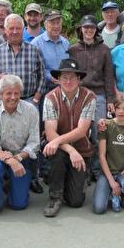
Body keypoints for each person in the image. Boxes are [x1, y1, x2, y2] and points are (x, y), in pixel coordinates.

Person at [0, 75, 40, 218]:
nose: (13, 97)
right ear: (0, 95)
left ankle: (10, 186)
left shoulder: (31, 110)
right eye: (8, 93)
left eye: (16, 93)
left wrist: (18, 158)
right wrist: (10, 160)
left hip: (22, 157)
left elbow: (34, 143)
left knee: (19, 204)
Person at [41, 59, 96, 217]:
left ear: (79, 79)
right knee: (55, 153)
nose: (68, 81)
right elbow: (50, 132)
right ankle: (55, 197)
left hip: (81, 150)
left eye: (72, 77)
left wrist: (61, 143)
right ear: (58, 79)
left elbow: (81, 130)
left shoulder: (89, 97)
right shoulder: (50, 97)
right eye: (64, 77)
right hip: (62, 150)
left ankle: (72, 179)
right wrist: (70, 150)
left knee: (76, 201)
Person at [69, 14, 115, 177]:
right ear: (81, 30)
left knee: (98, 134)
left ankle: (96, 168)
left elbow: (109, 76)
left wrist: (111, 99)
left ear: (96, 30)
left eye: (92, 27)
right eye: (86, 27)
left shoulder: (104, 50)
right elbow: (70, 75)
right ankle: (82, 169)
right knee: (79, 133)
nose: (89, 30)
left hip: (99, 95)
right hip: (79, 95)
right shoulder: (73, 49)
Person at [93, 93, 124, 214]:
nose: (121, 111)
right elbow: (102, 155)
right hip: (107, 173)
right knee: (99, 209)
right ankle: (112, 190)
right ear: (113, 109)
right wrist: (111, 182)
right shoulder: (106, 126)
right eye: (118, 108)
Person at [0, 14, 45, 107]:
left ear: (23, 30)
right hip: (4, 103)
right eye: (11, 28)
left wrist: (36, 99)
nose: (15, 32)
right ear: (6, 30)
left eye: (18, 28)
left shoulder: (34, 50)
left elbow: (42, 76)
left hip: (29, 101)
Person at [31, 9, 70, 93]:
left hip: (65, 87)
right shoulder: (36, 43)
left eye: (58, 22)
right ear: (45, 24)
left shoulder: (66, 43)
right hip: (45, 89)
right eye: (52, 23)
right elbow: (33, 68)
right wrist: (50, 77)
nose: (56, 26)